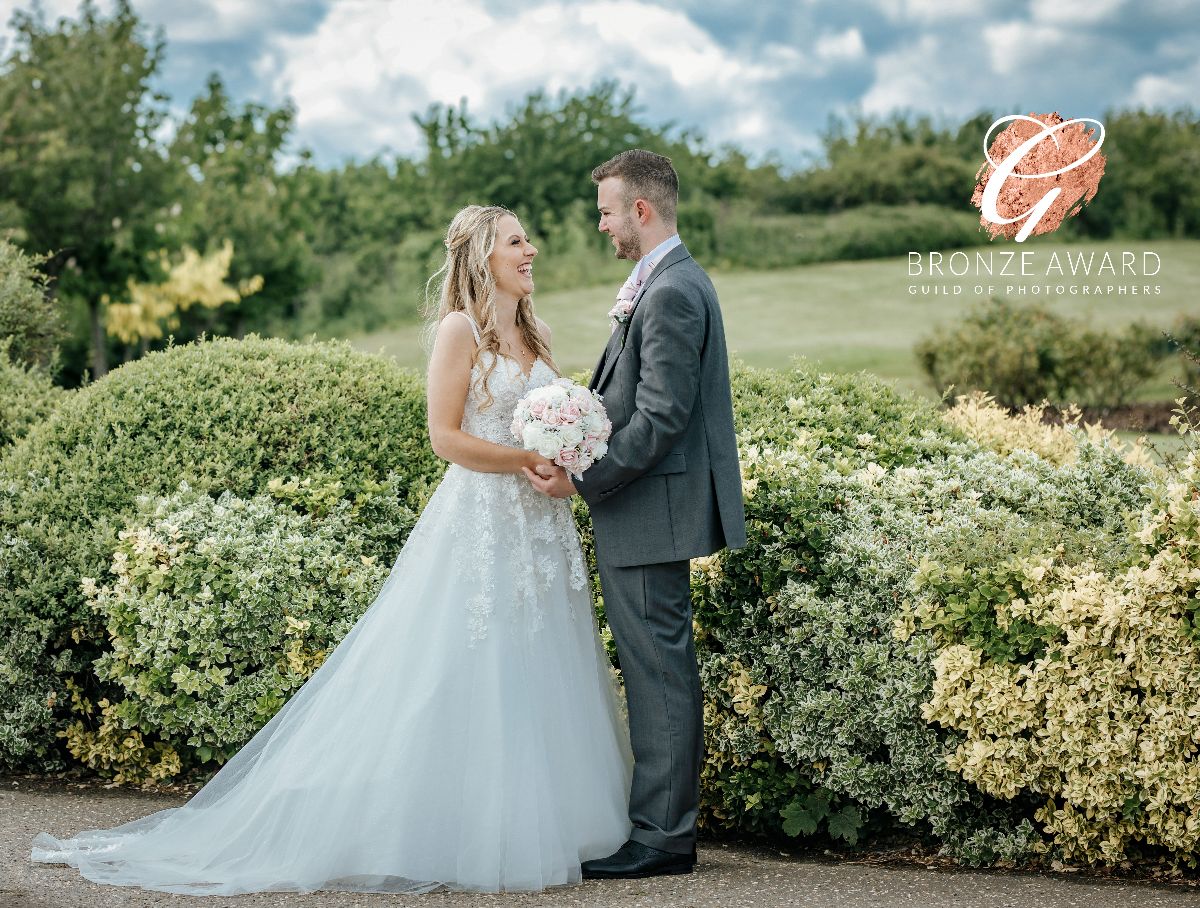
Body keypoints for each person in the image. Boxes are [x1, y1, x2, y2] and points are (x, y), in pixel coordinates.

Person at [29, 205, 634, 896]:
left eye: (528, 240)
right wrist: (526, 457)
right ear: (481, 256)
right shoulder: (459, 331)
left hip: (542, 527)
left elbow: (549, 430)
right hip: (483, 522)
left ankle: (551, 823)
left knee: (545, 659)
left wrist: (565, 459)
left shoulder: (539, 333)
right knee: (474, 664)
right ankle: (463, 830)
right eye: (517, 242)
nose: (532, 251)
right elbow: (445, 438)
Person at [524, 148, 747, 880]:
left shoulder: (672, 290)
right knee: (658, 670)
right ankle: (661, 830)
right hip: (648, 511)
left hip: (652, 512)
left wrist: (583, 477)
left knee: (659, 676)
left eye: (606, 212)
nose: (601, 225)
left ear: (640, 211)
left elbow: (660, 416)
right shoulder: (664, 281)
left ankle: (664, 838)